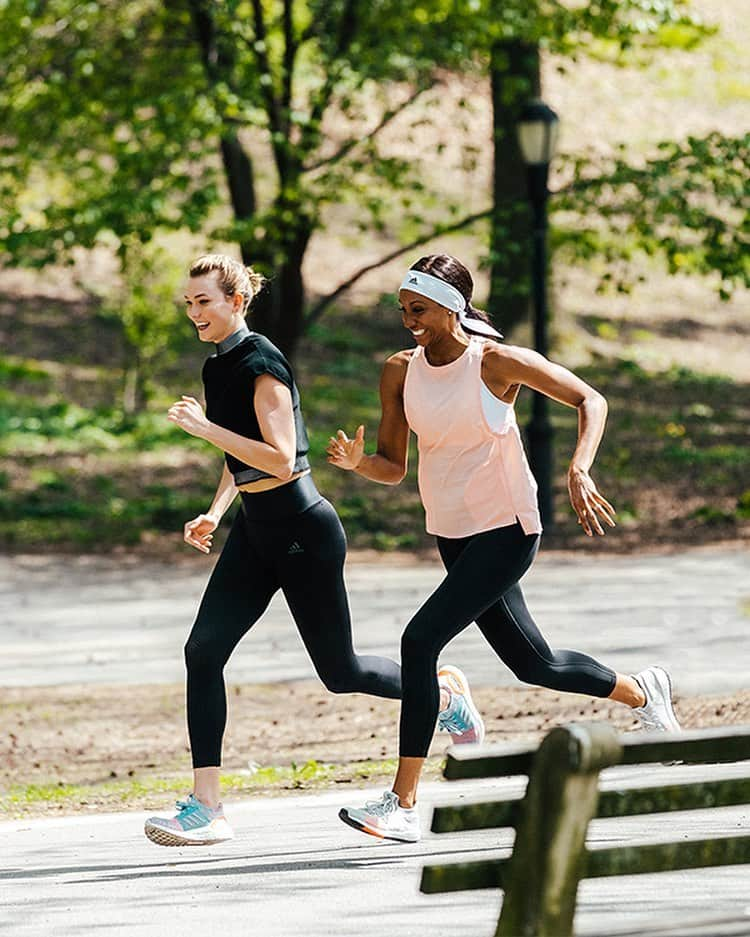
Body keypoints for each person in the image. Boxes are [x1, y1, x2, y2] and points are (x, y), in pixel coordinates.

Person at [328, 253, 681, 844]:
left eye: (419, 308)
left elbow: (590, 399)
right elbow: (393, 467)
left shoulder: (494, 361)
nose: (408, 319)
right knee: (533, 663)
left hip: (507, 526)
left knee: (419, 641)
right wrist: (358, 463)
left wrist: (579, 467)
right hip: (451, 529)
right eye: (403, 309)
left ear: (452, 307)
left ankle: (403, 802)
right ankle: (644, 691)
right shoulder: (398, 370)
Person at [144, 253, 482, 847]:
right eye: (190, 302)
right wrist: (216, 513)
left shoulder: (261, 360)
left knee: (340, 671)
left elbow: (277, 455)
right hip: (255, 530)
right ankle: (207, 807)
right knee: (203, 652)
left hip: (303, 530)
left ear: (236, 302)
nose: (195, 312)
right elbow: (242, 457)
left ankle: (444, 694)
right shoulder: (216, 365)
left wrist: (202, 429)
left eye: (205, 301)